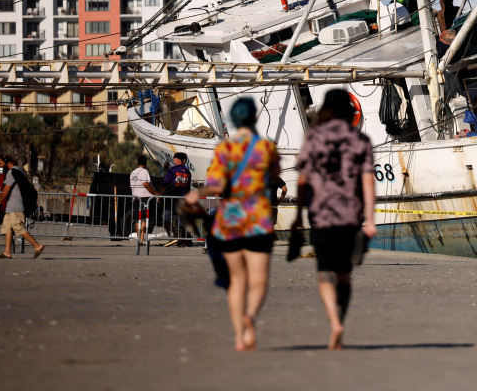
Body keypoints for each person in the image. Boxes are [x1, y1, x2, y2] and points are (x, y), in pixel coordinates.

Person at [185, 98, 280, 351]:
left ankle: (240, 337)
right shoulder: (267, 147)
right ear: (254, 117)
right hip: (258, 219)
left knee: (236, 281)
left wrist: (198, 192)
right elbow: (273, 176)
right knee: (258, 280)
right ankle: (250, 317)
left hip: (230, 222)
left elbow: (216, 186)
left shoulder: (225, 149)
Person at [295, 89, 376, 349]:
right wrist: (371, 219)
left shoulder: (314, 138)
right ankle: (341, 317)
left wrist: (297, 215)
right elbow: (367, 182)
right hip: (351, 216)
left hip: (321, 215)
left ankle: (334, 322)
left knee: (325, 273)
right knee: (344, 276)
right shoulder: (360, 140)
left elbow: (303, 180)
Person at [0, 153, 44, 259]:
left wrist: (0, 201)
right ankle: (7, 252)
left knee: (18, 228)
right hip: (10, 207)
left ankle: (37, 246)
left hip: (16, 206)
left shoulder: (12, 172)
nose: (0, 166)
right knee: (7, 228)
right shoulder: (18, 170)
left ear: (7, 162)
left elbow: (7, 189)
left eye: (1, 163)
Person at [160, 152, 193, 241]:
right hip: (183, 198)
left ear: (177, 160)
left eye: (175, 158)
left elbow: (165, 184)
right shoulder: (187, 172)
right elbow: (188, 186)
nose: (173, 160)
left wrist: (160, 195)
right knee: (180, 218)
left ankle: (173, 237)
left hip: (171, 198)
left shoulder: (173, 170)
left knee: (166, 218)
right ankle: (181, 238)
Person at [130, 154, 155, 246]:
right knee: (144, 219)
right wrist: (154, 192)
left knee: (138, 219)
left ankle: (139, 238)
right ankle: (141, 239)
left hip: (136, 197)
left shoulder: (133, 172)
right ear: (146, 163)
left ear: (137, 163)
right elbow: (146, 184)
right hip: (144, 198)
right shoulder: (144, 171)